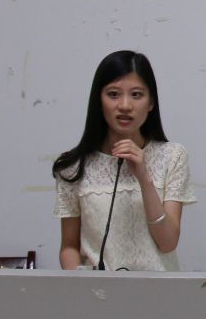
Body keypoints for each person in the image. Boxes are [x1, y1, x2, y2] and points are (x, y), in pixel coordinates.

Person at [52, 50, 195, 270]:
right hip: (98, 290)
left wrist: (144, 177)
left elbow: (168, 243)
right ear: (98, 101)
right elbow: (69, 247)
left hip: (158, 289)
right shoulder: (73, 167)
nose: (125, 105)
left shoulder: (172, 156)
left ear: (151, 103)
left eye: (136, 95)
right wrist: (81, 282)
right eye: (113, 94)